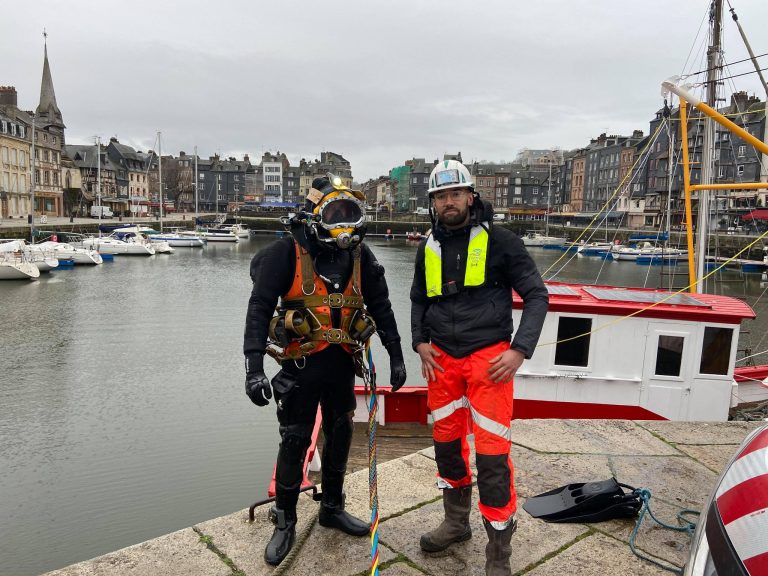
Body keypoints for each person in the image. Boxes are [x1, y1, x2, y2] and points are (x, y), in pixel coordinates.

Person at [243, 174, 407, 566]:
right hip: (300, 366)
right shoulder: (287, 254)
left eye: (351, 215)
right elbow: (259, 308)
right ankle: (284, 520)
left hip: (340, 367)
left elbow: (381, 306)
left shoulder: (360, 257)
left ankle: (332, 507)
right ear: (316, 214)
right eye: (336, 214)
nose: (345, 225)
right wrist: (253, 367)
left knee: (341, 431)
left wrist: (396, 354)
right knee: (296, 438)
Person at [410, 160, 548, 575]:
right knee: (447, 448)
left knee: (492, 458)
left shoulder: (503, 242)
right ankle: (456, 524)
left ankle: (498, 554)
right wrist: (419, 343)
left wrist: (519, 350)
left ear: (471, 196)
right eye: (440, 197)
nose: (448, 203)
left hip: (490, 361)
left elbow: (537, 296)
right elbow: (419, 298)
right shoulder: (427, 246)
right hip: (442, 363)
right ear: (432, 203)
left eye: (455, 194)